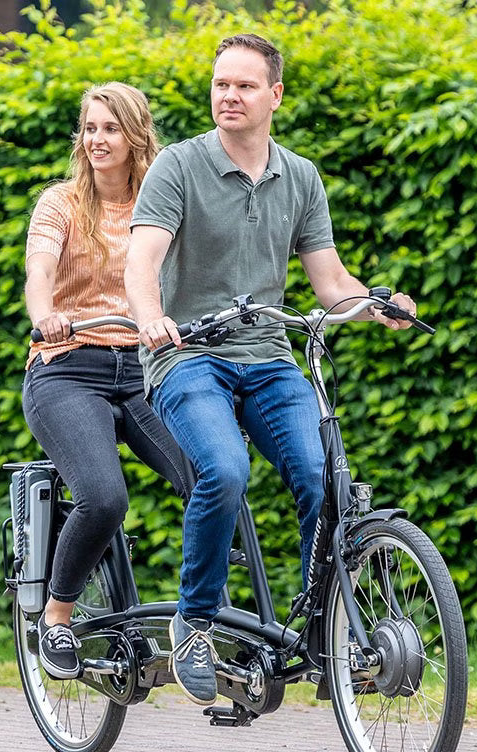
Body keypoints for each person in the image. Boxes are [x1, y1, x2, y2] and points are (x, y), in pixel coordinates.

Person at [124, 34, 418, 706]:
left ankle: (324, 629)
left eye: (245, 85)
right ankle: (195, 622)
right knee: (225, 469)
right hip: (187, 355)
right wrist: (151, 316)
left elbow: (330, 282)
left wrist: (376, 306)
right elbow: (141, 261)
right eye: (221, 84)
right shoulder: (178, 165)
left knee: (323, 478)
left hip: (268, 357)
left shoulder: (301, 176)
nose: (229, 96)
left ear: (275, 95)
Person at [22, 82, 189, 680]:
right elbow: (39, 273)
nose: (97, 139)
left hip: (145, 369)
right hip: (68, 367)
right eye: (89, 128)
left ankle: (200, 622)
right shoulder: (61, 203)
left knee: (213, 477)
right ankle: (57, 617)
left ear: (136, 136)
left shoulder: (160, 202)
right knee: (104, 496)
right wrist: (46, 315)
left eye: (110, 128)